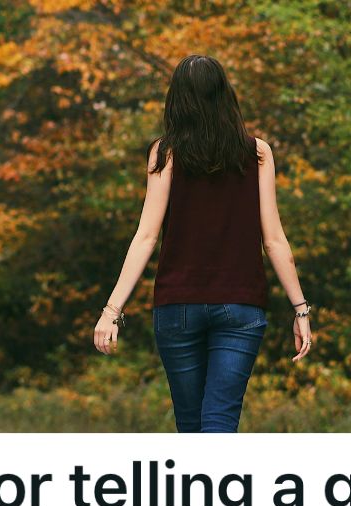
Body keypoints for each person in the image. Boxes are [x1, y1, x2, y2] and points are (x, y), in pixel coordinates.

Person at [92, 54, 312, 433]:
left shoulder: (166, 153)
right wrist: (301, 309)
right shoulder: (257, 153)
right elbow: (274, 239)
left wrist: (113, 309)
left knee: (191, 427)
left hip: (178, 307)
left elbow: (145, 237)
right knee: (219, 424)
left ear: (177, 100)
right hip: (241, 307)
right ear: (226, 95)